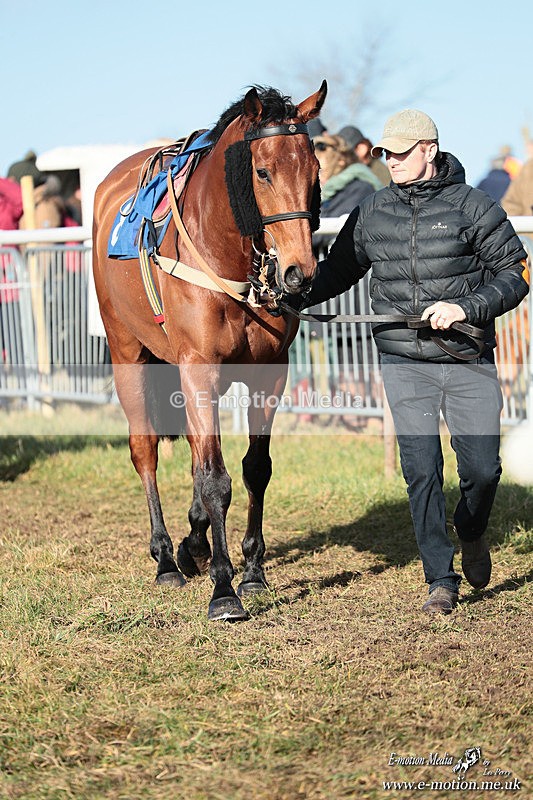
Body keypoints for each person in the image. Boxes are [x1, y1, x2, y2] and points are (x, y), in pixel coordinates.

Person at [297, 109, 530, 615]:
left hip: (466, 357)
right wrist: (289, 296)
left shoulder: (474, 206)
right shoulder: (373, 211)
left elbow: (516, 275)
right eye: (386, 153)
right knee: (421, 470)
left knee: (482, 471)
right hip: (403, 360)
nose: (392, 161)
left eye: (401, 152)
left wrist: (465, 307)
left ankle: (471, 531)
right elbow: (337, 272)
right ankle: (440, 580)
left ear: (429, 149)